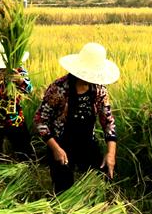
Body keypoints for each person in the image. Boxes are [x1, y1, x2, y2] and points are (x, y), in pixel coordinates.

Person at [34, 43, 119, 194]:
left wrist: (111, 154)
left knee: (103, 180)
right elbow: (40, 121)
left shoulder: (99, 90)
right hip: (61, 143)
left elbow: (108, 122)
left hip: (87, 142)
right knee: (63, 189)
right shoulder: (59, 89)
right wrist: (56, 149)